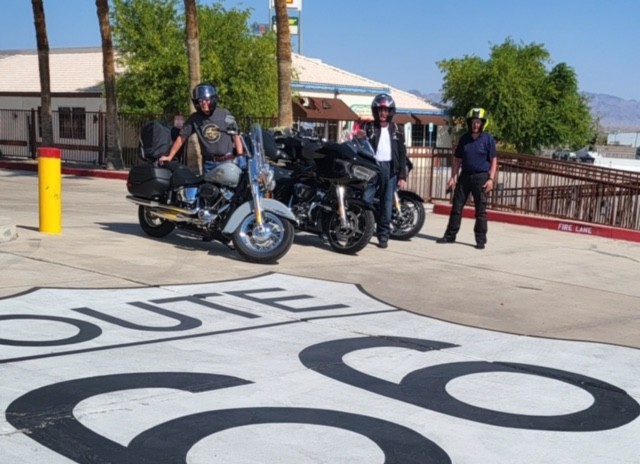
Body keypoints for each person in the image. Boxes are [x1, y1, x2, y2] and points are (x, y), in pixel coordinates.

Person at [436, 107, 497, 249]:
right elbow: (457, 160)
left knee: (480, 211)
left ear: (483, 123)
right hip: (464, 177)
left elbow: (494, 160)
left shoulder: (488, 139)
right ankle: (450, 235)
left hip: (481, 177)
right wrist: (453, 177)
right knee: (456, 208)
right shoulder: (464, 139)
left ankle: (480, 240)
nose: (475, 125)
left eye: (478, 122)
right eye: (473, 122)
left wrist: (491, 179)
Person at [159, 83, 243, 173]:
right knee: (208, 187)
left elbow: (235, 136)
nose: (203, 103)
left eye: (206, 100)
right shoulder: (194, 119)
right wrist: (170, 156)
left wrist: (240, 155)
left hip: (227, 161)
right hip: (209, 164)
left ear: (213, 99)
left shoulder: (225, 114)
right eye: (200, 101)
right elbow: (181, 138)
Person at [360, 93, 408, 249]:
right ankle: (364, 229)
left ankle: (383, 236)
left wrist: (402, 175)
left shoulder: (397, 129)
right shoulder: (368, 127)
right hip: (371, 168)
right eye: (380, 109)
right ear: (376, 110)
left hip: (390, 168)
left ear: (390, 111)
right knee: (366, 200)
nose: (383, 113)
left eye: (386, 110)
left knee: (387, 205)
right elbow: (359, 146)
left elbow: (402, 153)